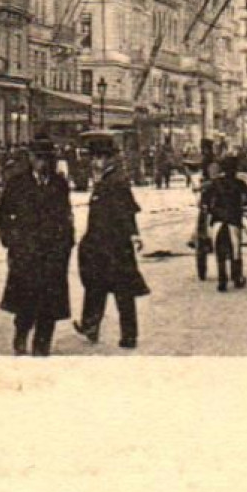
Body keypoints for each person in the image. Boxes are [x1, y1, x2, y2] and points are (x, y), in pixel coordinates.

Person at [0, 140, 74, 356]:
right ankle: (21, 334)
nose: (43, 162)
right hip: (26, 251)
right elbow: (2, 214)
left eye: (47, 157)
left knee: (49, 304)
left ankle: (42, 346)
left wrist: (67, 244)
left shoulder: (59, 184)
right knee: (25, 301)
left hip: (53, 251)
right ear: (30, 158)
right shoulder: (17, 183)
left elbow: (66, 216)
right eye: (39, 157)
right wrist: (10, 238)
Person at [74, 133, 149, 349]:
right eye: (93, 158)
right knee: (97, 286)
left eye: (98, 158)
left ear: (108, 159)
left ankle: (128, 335)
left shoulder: (115, 182)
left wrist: (133, 234)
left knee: (121, 291)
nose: (94, 162)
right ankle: (91, 326)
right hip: (101, 244)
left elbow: (127, 211)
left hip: (114, 245)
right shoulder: (107, 179)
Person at [201, 155, 247, 292]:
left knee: (219, 251)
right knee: (236, 249)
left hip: (217, 220)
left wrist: (209, 208)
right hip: (233, 220)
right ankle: (236, 276)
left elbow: (205, 200)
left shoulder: (214, 183)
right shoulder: (239, 183)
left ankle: (222, 280)